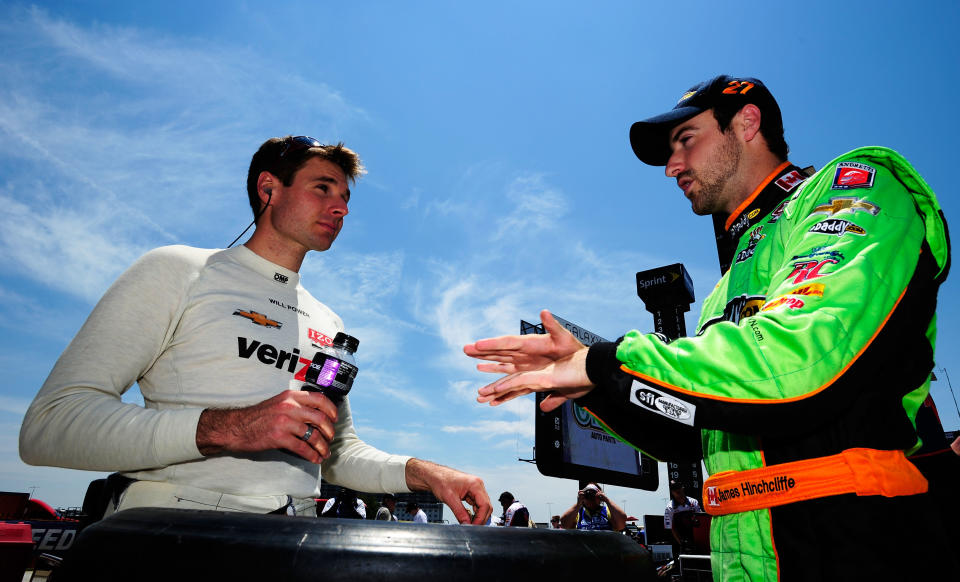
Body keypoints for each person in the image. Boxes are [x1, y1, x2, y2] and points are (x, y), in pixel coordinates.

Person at [465, 76, 954, 580]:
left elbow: (798, 363)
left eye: (686, 140)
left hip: (860, 543)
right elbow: (696, 432)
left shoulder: (849, 184)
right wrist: (594, 387)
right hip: (742, 555)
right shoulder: (728, 284)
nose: (672, 166)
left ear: (746, 122)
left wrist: (604, 362)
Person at [20, 136, 492, 524]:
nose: (340, 208)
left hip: (292, 541)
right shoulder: (179, 269)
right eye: (323, 188)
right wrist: (231, 427)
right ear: (269, 188)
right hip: (171, 537)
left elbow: (336, 453)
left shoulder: (329, 322)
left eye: (345, 197)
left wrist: (423, 473)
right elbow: (50, 426)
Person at [558, 483, 626, 531]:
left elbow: (621, 524)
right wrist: (578, 504)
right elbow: (564, 525)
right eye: (587, 494)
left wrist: (607, 500)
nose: (590, 497)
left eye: (593, 494)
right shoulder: (578, 513)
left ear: (600, 496)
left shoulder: (607, 511)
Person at [663, 481, 700, 552]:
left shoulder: (694, 502)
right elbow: (671, 528)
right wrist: (681, 543)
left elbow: (700, 521)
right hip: (680, 542)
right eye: (674, 489)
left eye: (678, 487)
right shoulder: (669, 507)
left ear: (682, 488)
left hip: (696, 539)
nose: (677, 490)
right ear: (672, 492)